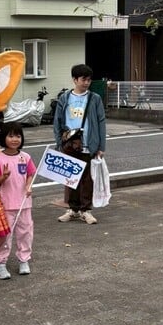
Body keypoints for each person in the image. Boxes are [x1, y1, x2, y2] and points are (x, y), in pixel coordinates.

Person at [53, 63, 107, 225]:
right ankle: (73, 209)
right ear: (75, 80)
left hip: (88, 144)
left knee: (87, 179)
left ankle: (86, 210)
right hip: (70, 144)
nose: (86, 83)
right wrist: (59, 143)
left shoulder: (95, 98)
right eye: (83, 79)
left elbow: (101, 122)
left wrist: (101, 146)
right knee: (70, 178)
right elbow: (58, 121)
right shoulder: (65, 98)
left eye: (89, 80)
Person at [0, 122, 37, 279]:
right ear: (3, 137)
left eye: (18, 136)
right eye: (11, 136)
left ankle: (24, 260)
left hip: (24, 204)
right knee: (4, 236)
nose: (15, 139)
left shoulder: (26, 157)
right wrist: (3, 177)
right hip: (6, 204)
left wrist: (29, 186)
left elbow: (30, 174)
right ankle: (0, 263)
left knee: (26, 233)